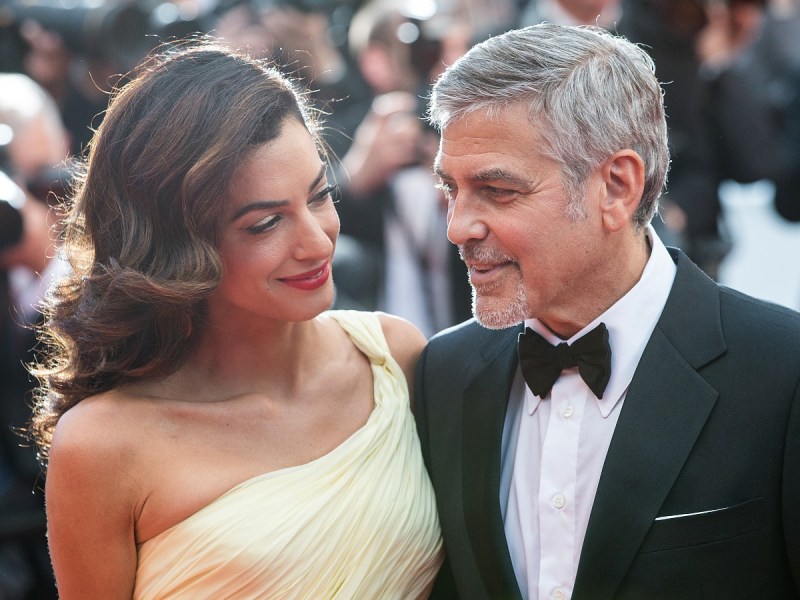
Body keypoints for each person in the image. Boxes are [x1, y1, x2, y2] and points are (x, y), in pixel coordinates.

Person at [29, 40, 443, 598]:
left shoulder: (395, 356)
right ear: (177, 246)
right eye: (265, 224)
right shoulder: (104, 447)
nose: (318, 241)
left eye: (320, 196)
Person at [413, 23, 800, 600]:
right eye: (451, 188)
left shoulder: (783, 371)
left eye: (498, 191)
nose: (457, 227)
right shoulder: (443, 372)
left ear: (616, 187)